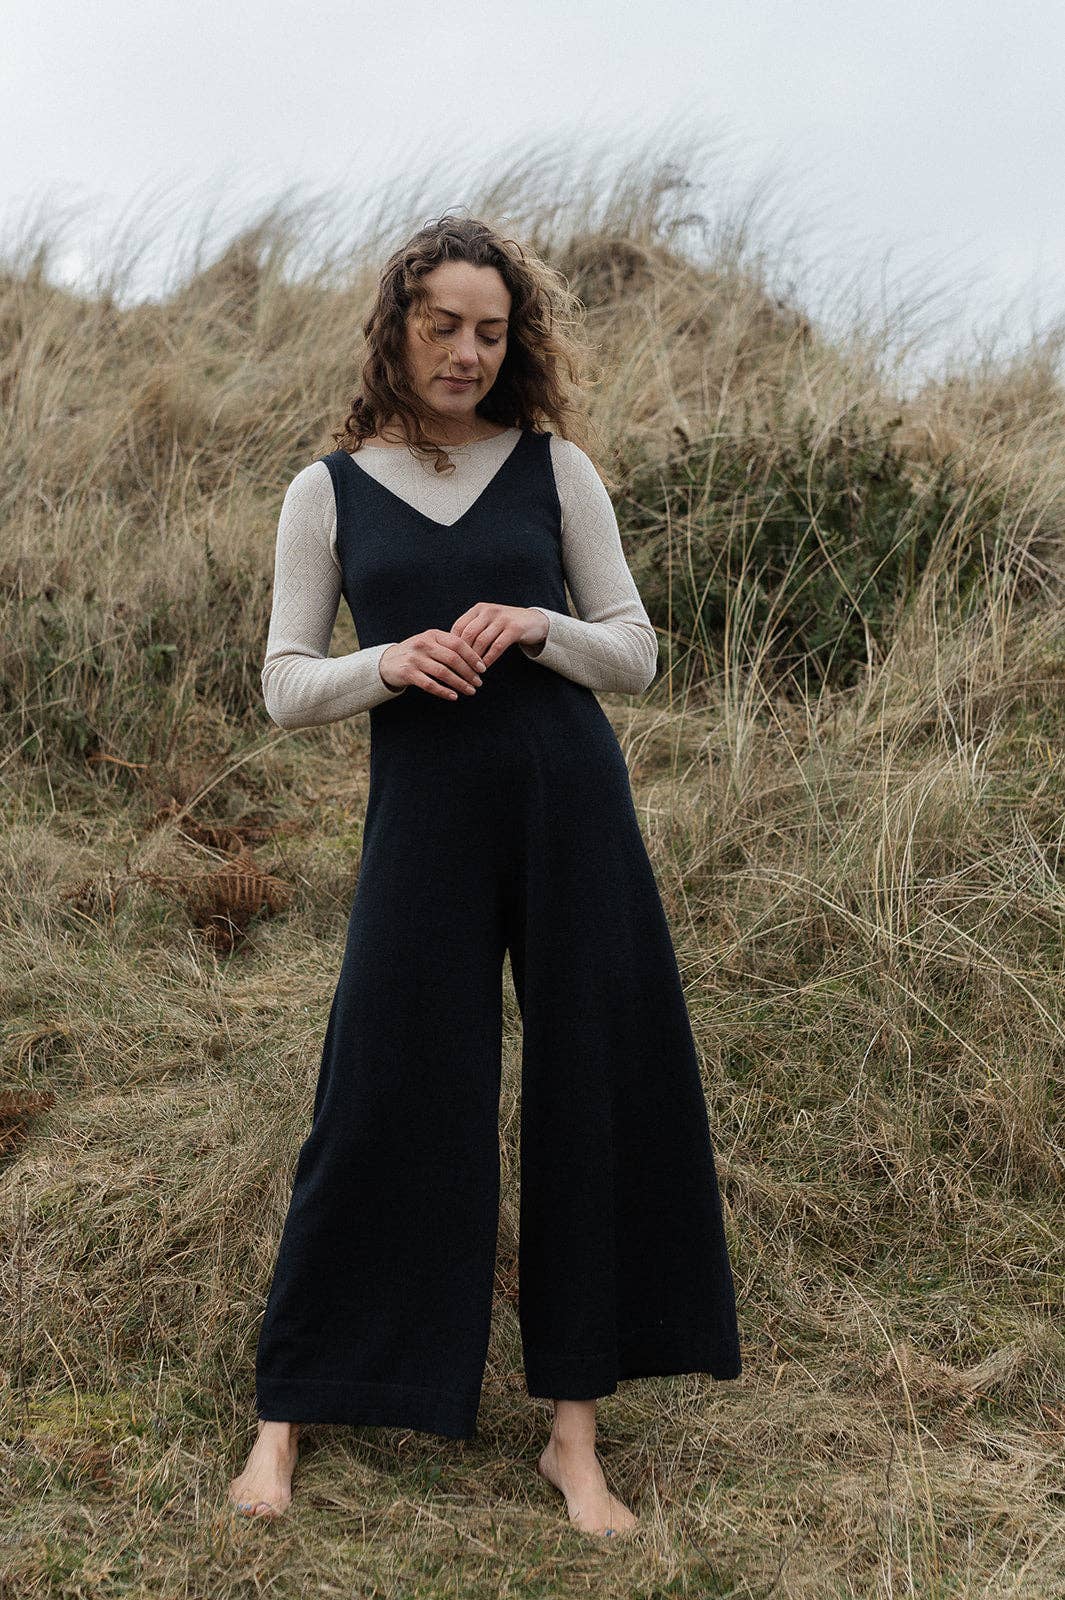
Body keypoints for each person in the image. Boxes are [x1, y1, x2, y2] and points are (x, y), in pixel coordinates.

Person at [228, 214, 742, 1538]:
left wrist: (538, 623)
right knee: (379, 1087)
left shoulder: (555, 469)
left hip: (569, 807)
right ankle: (292, 1408)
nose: (466, 352)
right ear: (397, 328)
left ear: (516, 342)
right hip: (425, 822)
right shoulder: (327, 491)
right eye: (443, 325)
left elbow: (634, 651)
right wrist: (388, 663)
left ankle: (574, 1438)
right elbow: (284, 683)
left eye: (491, 332)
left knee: (591, 1082)